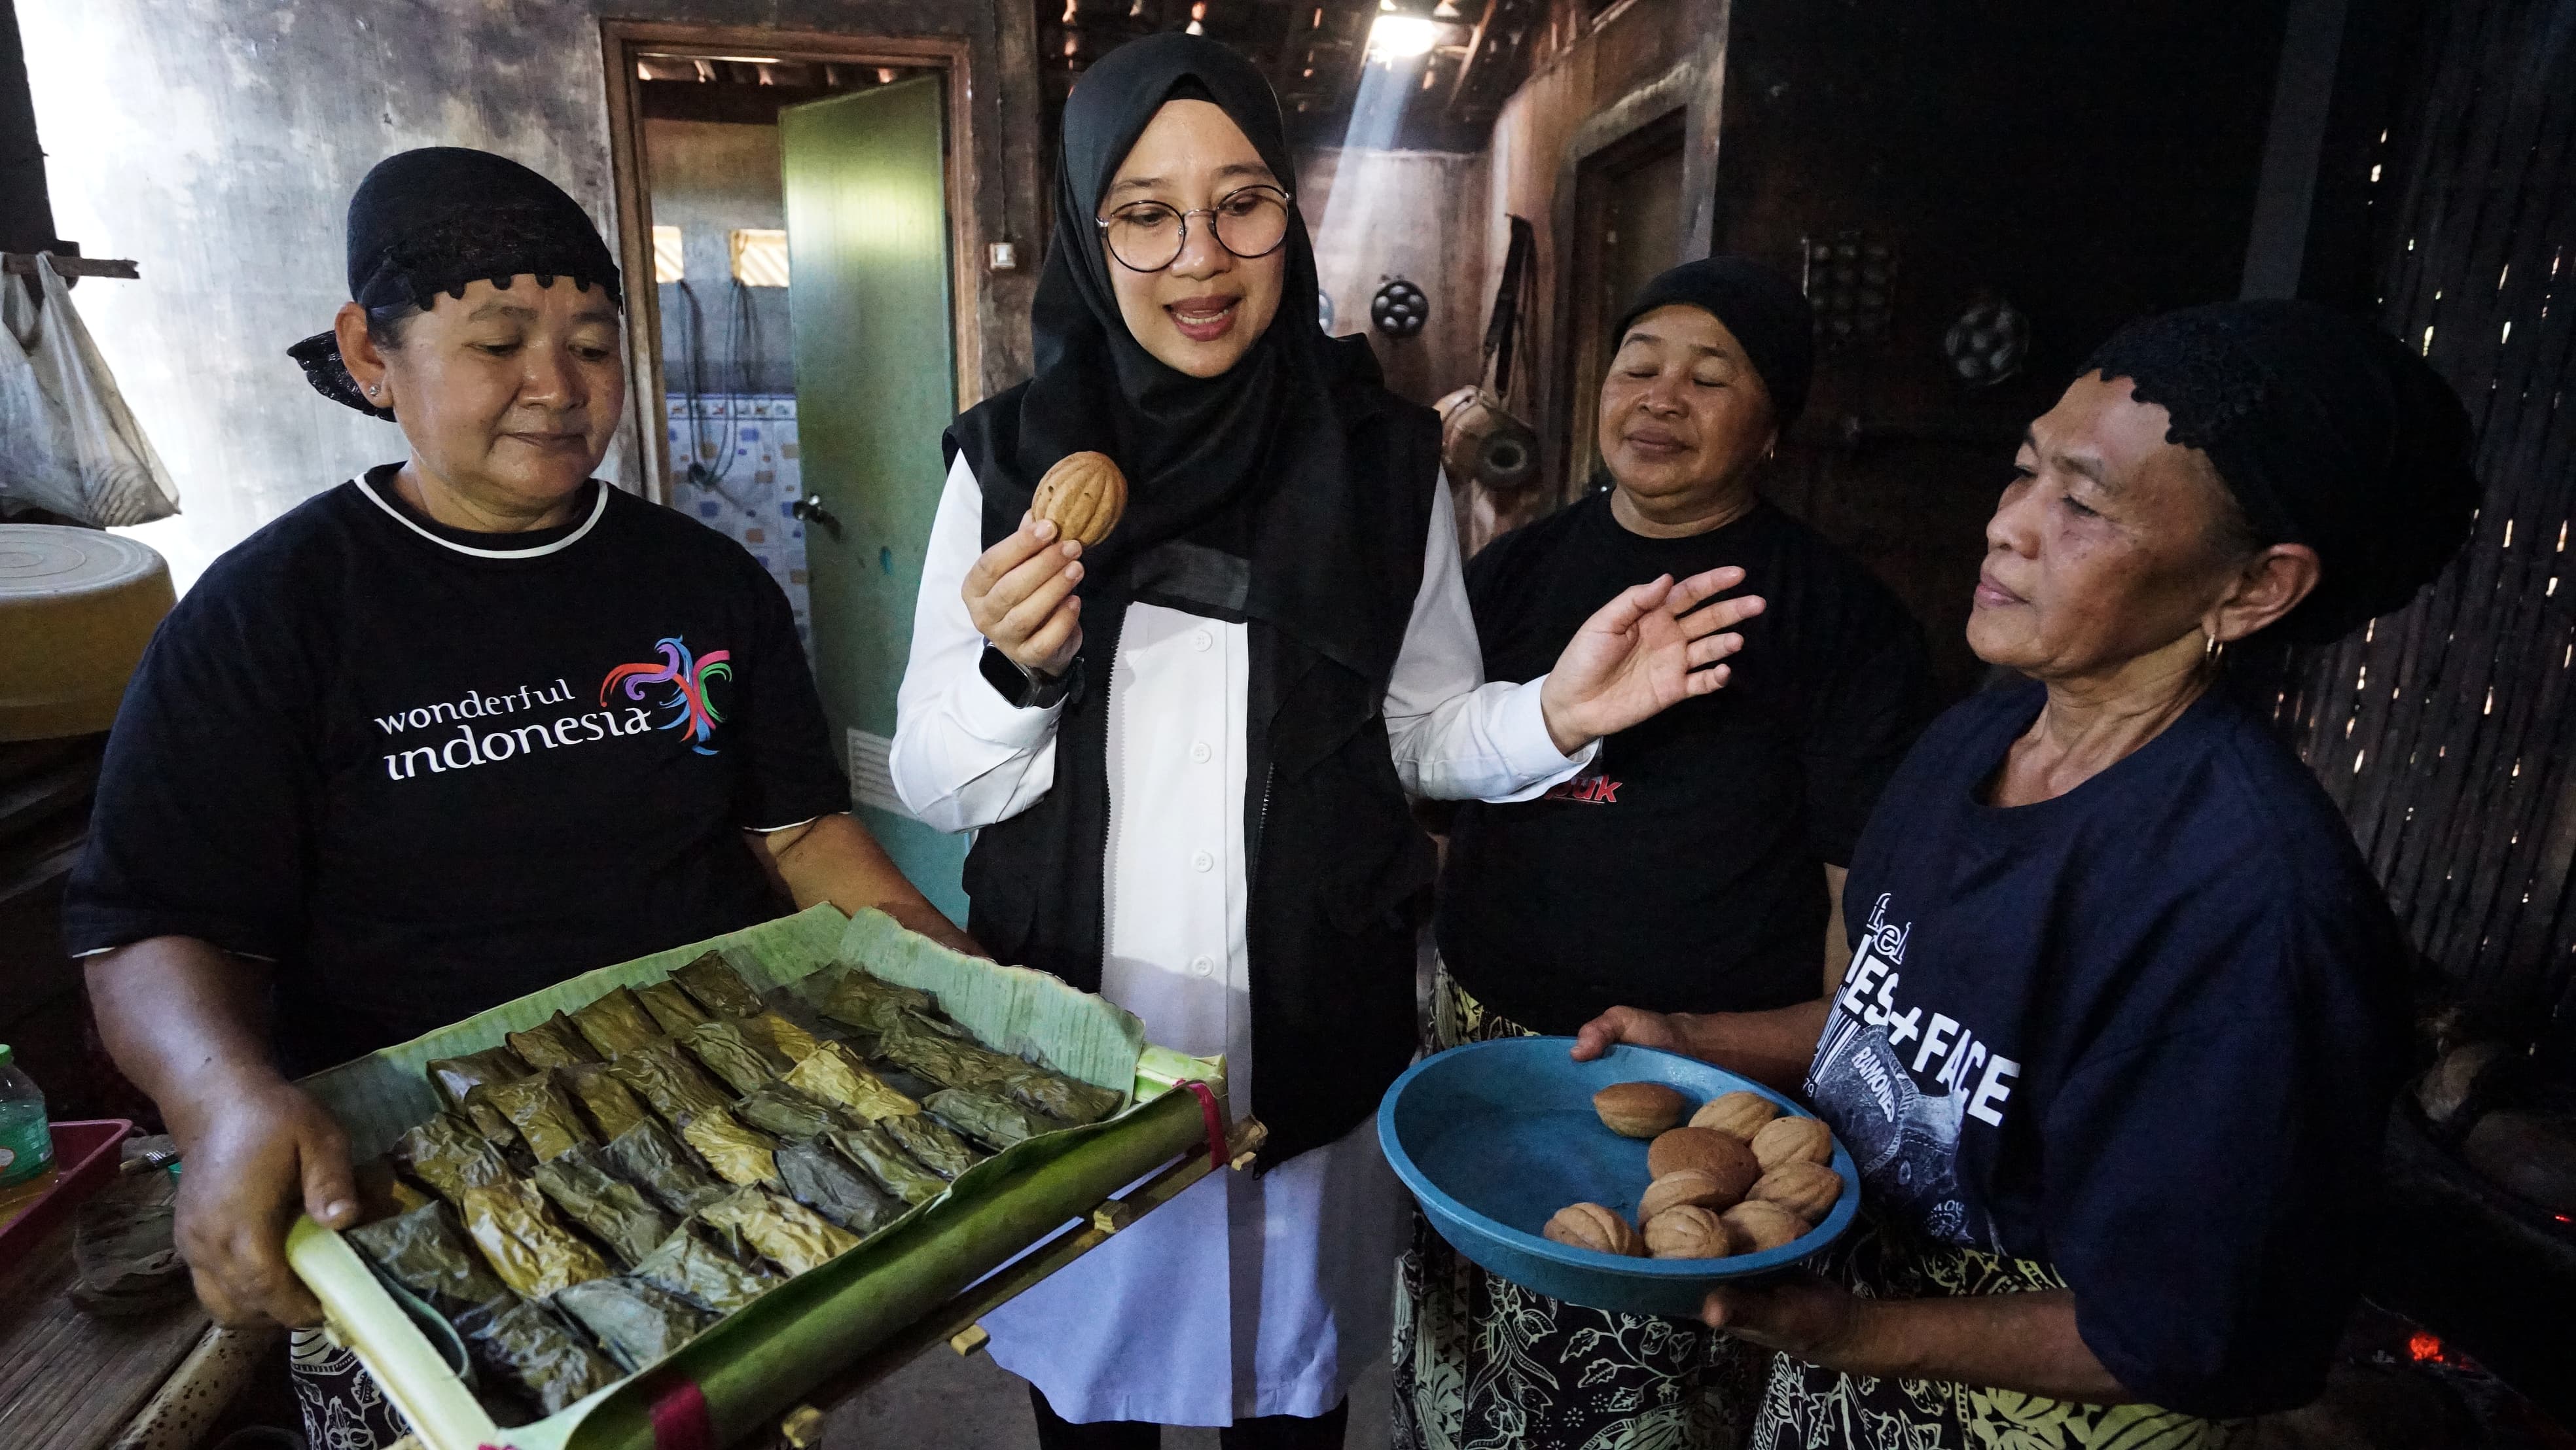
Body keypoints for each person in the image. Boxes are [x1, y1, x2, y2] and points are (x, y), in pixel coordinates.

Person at [889, 33, 1764, 1449]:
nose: (1201, 257)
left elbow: (1419, 732)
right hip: (1088, 1045)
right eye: (1145, 211)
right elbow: (940, 775)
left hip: (1311, 1024)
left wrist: (1561, 711)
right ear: (1083, 228)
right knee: (1089, 1405)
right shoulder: (1005, 465)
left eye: (1243, 201)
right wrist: (1016, 665)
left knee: (1289, 1400)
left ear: (1290, 217)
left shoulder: (1377, 453)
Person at [65, 147, 971, 1450]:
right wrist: (220, 1102)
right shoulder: (274, 615)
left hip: (714, 1137)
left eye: (594, 344)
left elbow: (801, 829)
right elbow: (151, 925)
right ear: (370, 355)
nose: (558, 387)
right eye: (498, 342)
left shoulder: (703, 585)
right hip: (408, 1184)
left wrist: (951, 969)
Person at [1574, 299, 2477, 1447]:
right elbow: (1896, 1030)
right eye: (2022, 473)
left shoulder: (2246, 911)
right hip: (1850, 1360)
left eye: (2084, 503)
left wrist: (1857, 1334)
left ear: (2252, 589)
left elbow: (2189, 1327)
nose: (2007, 528)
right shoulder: (1979, 740)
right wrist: (1693, 1039)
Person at [1395, 258, 1932, 1450]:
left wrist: (1720, 1052)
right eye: (1639, 364)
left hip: (1686, 1098)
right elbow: (1435, 793)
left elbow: (1866, 945)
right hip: (1481, 1054)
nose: (1660, 396)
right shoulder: (1513, 574)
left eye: (1710, 375)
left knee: (1629, 1406)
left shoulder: (1841, 624)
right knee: (1456, 1372)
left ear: (1775, 427)